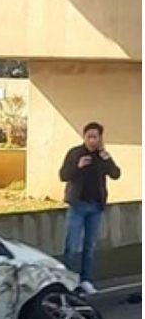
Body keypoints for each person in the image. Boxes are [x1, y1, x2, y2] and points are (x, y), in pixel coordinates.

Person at [59, 121, 121, 294]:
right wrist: (78, 166)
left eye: (96, 137)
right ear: (84, 137)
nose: (92, 140)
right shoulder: (75, 153)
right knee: (72, 246)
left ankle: (86, 280)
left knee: (90, 246)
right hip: (78, 205)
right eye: (89, 137)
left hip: (96, 206)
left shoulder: (103, 156)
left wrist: (107, 159)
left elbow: (116, 174)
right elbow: (63, 175)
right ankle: (68, 281)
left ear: (101, 138)